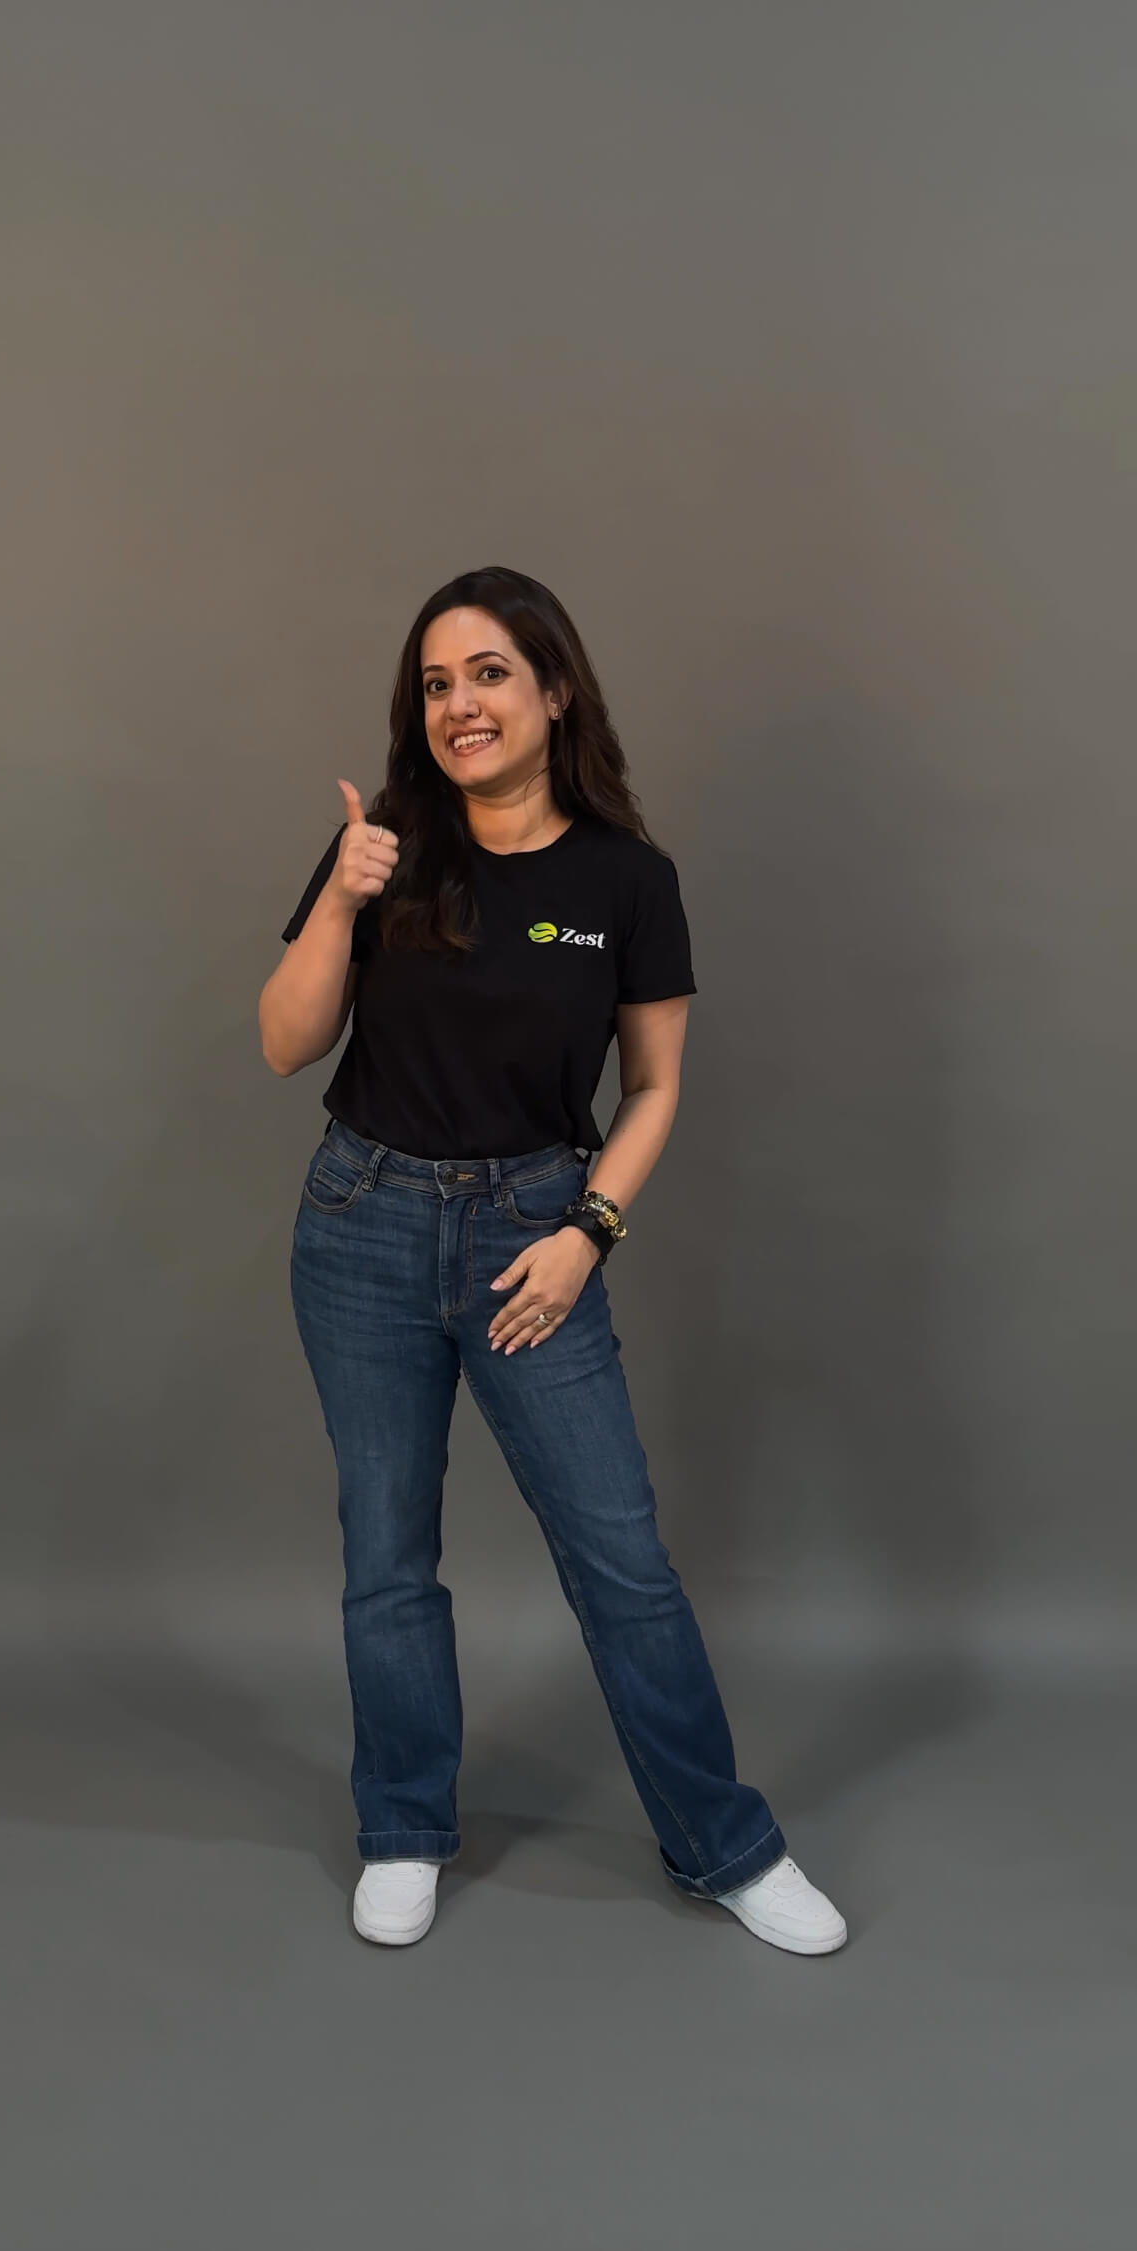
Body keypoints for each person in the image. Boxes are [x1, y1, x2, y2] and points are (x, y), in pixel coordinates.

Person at [258, 565, 846, 1957]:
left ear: (555, 689)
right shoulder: (387, 844)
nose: (459, 704)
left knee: (621, 1558)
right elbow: (285, 1045)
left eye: (489, 674)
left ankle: (725, 1844)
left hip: (535, 1235)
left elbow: (654, 1088)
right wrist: (338, 901)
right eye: (436, 683)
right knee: (387, 1556)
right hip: (361, 1225)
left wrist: (588, 1233)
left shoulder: (627, 881)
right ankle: (404, 1826)